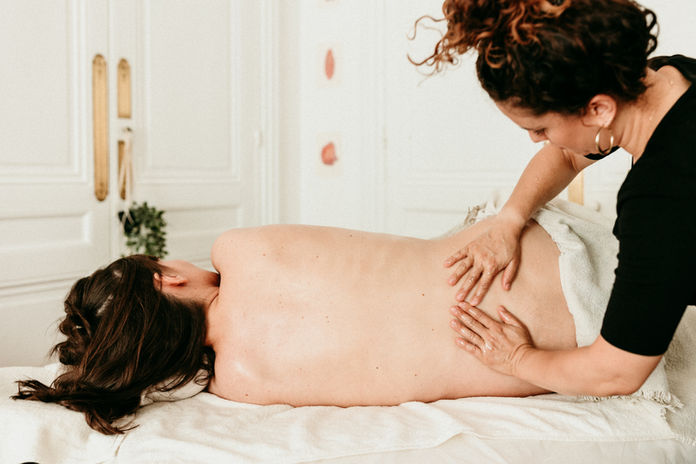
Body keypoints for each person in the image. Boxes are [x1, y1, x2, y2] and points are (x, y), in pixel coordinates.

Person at [13, 209, 593, 435]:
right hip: (554, 253)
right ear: (166, 280)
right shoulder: (237, 249)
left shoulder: (240, 382)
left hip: (575, 350)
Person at [414, 0, 695, 395]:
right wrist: (509, 220)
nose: (536, 140)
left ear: (599, 108)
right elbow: (567, 155)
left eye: (541, 128)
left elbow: (617, 371)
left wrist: (516, 358)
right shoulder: (670, 77)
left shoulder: (662, 196)